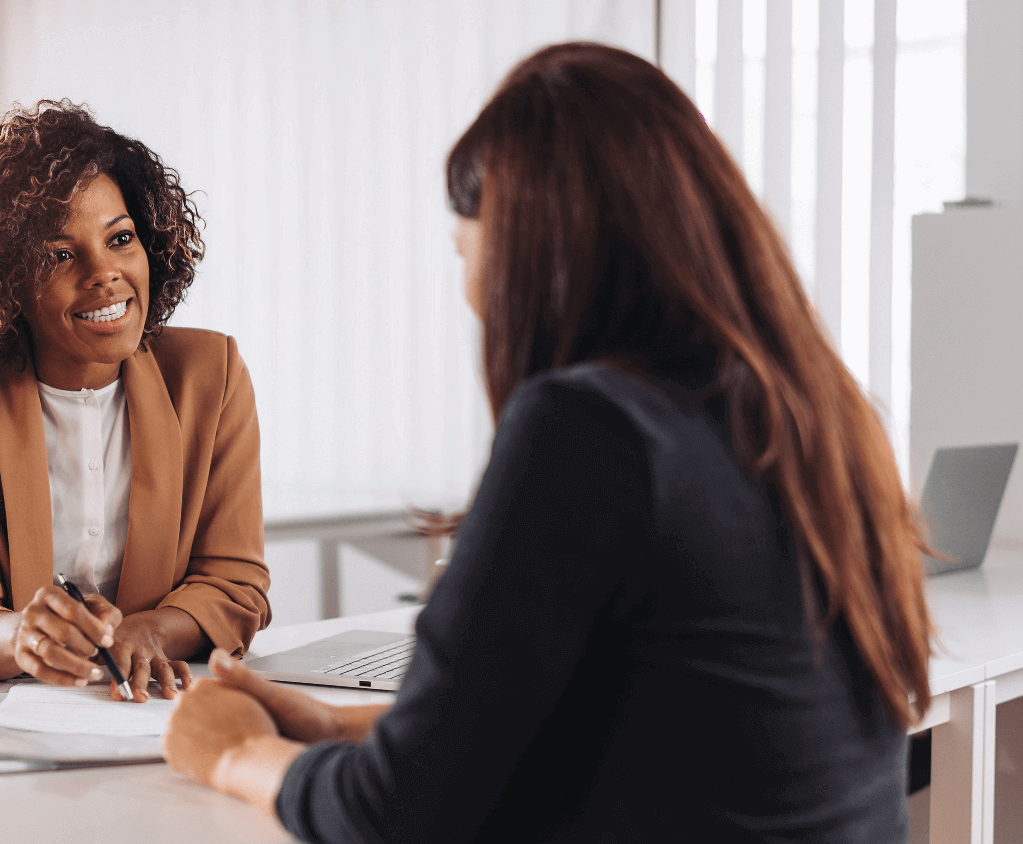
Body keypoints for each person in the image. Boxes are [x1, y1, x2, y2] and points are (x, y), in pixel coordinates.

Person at [162, 42, 932, 841]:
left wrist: (235, 753)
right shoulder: (827, 418)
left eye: (466, 252)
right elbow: (646, 722)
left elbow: (396, 817)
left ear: (530, 251)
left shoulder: (590, 429)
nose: (471, 301)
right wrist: (334, 729)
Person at [0, 100, 270, 701]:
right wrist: (23, 638)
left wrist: (149, 633)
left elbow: (234, 583)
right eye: (60, 255)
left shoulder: (209, 375)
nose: (105, 273)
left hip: (150, 708)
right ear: (3, 277)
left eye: (121, 239)